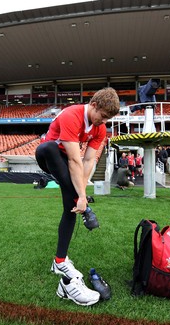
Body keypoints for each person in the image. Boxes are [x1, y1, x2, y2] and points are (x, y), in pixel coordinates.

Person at [35, 87, 120, 305]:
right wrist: (82, 195)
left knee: (70, 209)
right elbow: (74, 160)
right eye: (102, 116)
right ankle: (85, 207)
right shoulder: (71, 114)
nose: (103, 122)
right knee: (49, 148)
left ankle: (59, 260)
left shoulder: (100, 129)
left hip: (67, 163)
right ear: (93, 105)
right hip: (49, 156)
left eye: (108, 119)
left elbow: (89, 161)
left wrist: (82, 194)